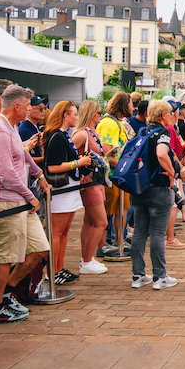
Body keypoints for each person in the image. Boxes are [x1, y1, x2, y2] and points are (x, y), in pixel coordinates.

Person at [0, 85, 51, 323]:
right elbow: (7, 174)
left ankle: (7, 292)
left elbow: (22, 155)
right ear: (18, 106)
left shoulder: (10, 127)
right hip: (7, 202)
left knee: (40, 249)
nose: (32, 108)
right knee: (5, 256)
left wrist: (38, 175)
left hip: (19, 201)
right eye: (29, 104)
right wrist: (30, 196)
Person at [130, 100, 185, 289]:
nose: (173, 115)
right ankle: (160, 276)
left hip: (140, 187)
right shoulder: (161, 133)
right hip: (158, 187)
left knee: (139, 232)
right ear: (164, 115)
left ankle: (138, 275)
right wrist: (172, 172)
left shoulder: (143, 131)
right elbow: (162, 153)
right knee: (157, 233)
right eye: (171, 113)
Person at [43, 101, 93, 285]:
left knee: (64, 232)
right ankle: (52, 271)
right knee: (57, 232)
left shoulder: (62, 135)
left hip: (68, 187)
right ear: (65, 116)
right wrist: (78, 163)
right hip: (61, 189)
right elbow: (53, 166)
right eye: (74, 114)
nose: (77, 118)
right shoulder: (57, 136)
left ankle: (58, 268)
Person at [71, 101, 110, 275]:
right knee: (101, 222)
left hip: (97, 180)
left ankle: (86, 259)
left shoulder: (93, 132)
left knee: (89, 221)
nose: (101, 116)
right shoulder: (82, 134)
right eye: (99, 113)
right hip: (88, 181)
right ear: (91, 114)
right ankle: (86, 261)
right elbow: (69, 152)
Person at [97, 92, 134, 254]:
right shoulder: (110, 124)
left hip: (119, 175)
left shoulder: (117, 123)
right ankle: (102, 245)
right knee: (108, 211)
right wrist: (123, 167)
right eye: (131, 104)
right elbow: (106, 152)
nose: (133, 108)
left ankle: (119, 241)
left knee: (122, 208)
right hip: (112, 175)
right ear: (124, 105)